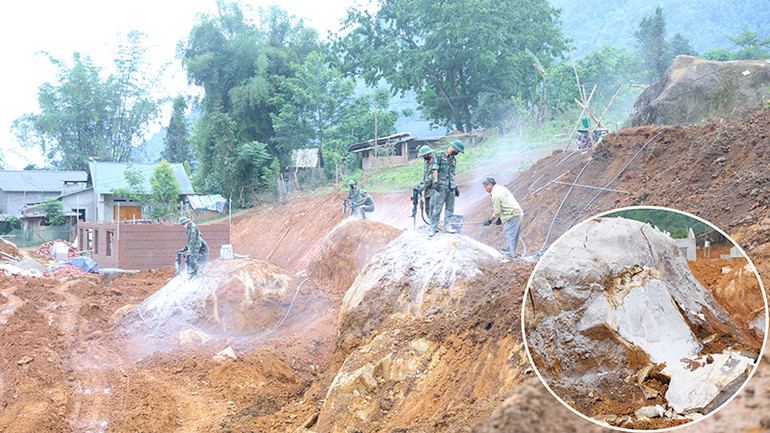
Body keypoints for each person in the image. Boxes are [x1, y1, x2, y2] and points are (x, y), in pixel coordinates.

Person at [482, 177, 523, 260]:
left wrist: (490, 221)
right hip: (517, 213)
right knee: (513, 235)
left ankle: (509, 257)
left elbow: (497, 211)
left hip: (512, 215)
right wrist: (500, 219)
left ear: (489, 185)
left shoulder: (495, 194)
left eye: (485, 187)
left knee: (508, 235)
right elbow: (503, 205)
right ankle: (511, 254)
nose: (485, 189)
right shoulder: (501, 188)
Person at [437, 140, 465, 233]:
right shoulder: (440, 156)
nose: (457, 153)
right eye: (457, 151)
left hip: (451, 186)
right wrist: (436, 182)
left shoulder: (453, 159)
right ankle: (434, 226)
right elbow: (435, 169)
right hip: (441, 186)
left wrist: (455, 186)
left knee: (450, 208)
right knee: (438, 207)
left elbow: (453, 173)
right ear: (453, 148)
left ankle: (447, 226)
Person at [414, 145, 440, 237]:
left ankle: (433, 227)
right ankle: (433, 224)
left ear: (429, 154)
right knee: (427, 209)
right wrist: (419, 186)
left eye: (424, 156)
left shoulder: (435, 161)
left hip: (434, 188)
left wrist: (422, 187)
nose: (423, 157)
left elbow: (431, 178)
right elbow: (425, 177)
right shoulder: (426, 163)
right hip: (427, 190)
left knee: (433, 207)